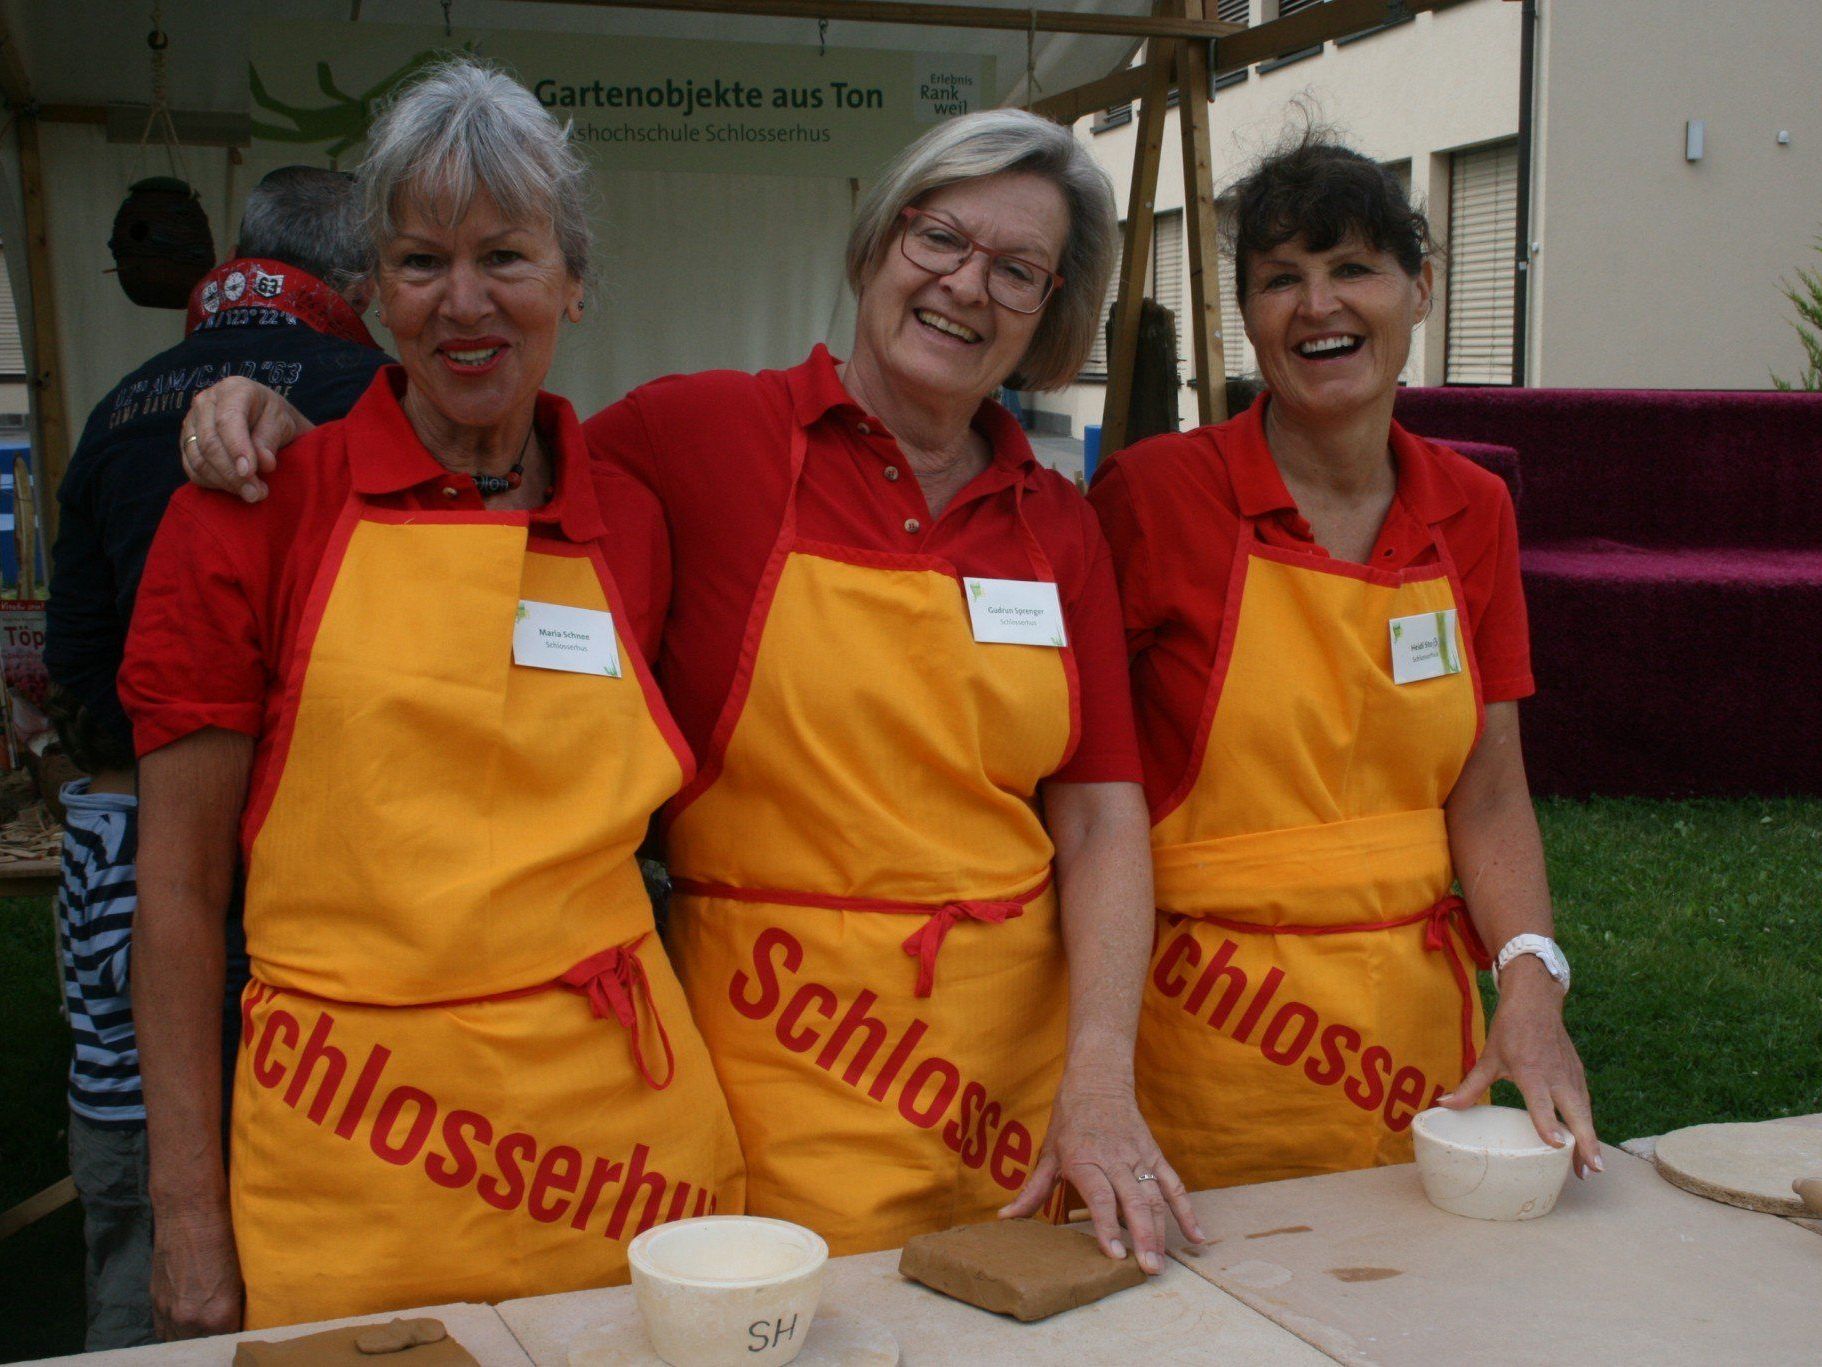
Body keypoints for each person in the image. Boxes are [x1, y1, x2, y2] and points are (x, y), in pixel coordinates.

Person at [180, 109, 1203, 1273]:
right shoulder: (696, 433)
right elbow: (478, 448)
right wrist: (289, 427)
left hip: (1017, 1091)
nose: (965, 284)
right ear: (877, 243)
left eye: (1016, 269)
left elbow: (1099, 812)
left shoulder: (1058, 521)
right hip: (784, 1062)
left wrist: (1098, 1082)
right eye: (938, 237)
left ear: (1049, 310)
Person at [120, 60, 743, 1337]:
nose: (465, 301)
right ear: (372, 293)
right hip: (355, 1151)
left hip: (621, 1161)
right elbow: (176, 896)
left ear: (573, 281)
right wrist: (185, 1214)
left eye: (505, 256)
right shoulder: (249, 513)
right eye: (420, 261)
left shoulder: (633, 517)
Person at [1088, 133, 1600, 1191]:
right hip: (1205, 1039)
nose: (1317, 305)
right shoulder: (1152, 497)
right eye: (1281, 278)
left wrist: (1531, 985)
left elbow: (1490, 790)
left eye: (1353, 267)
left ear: (1420, 290)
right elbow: (1085, 791)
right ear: (1246, 316)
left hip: (1415, 1048)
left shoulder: (1474, 510)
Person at [42, 166, 384, 1350]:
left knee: (151, 1208)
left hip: (141, 851)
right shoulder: (378, 398)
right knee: (338, 1210)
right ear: (361, 281)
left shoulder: (118, 407)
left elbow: (75, 664)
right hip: (325, 868)